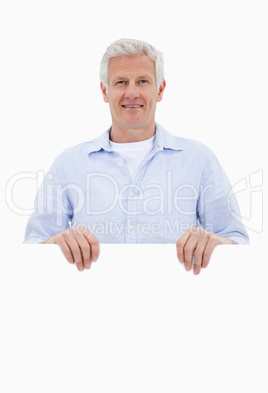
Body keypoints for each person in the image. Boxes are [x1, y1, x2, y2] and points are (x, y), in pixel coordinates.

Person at [24, 38, 249, 275]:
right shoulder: (68, 164)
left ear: (160, 89)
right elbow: (31, 247)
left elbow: (238, 241)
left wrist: (219, 244)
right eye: (121, 82)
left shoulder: (199, 159)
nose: (132, 93)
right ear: (105, 90)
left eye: (142, 81)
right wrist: (53, 245)